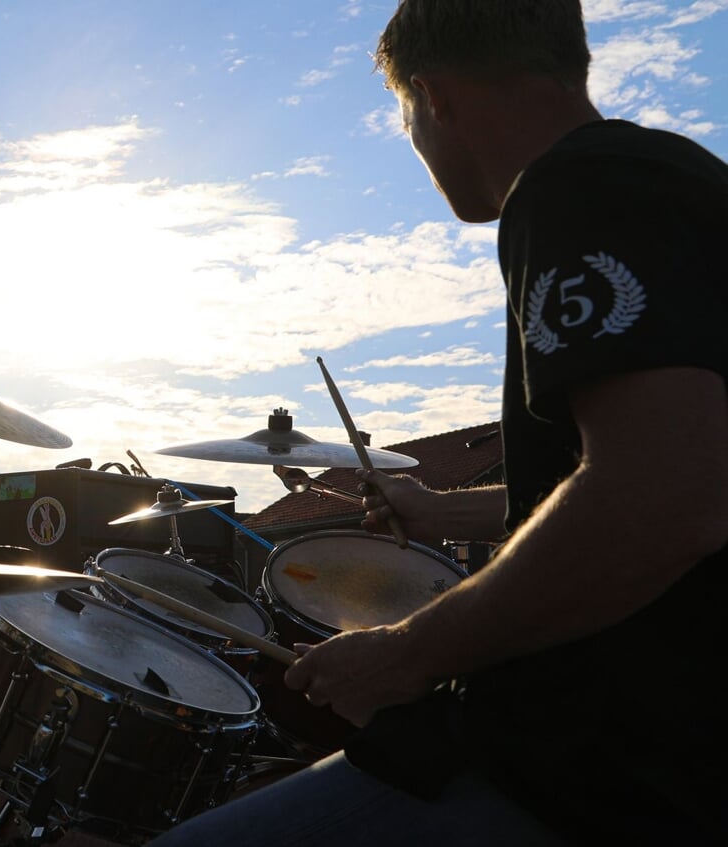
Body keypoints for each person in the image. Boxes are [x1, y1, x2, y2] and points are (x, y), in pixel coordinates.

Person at [149, 2, 728, 845]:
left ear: (432, 97)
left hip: (603, 774)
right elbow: (650, 469)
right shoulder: (672, 182)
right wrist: (442, 511)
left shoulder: (580, 185)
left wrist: (408, 650)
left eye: (405, 117)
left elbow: (665, 498)